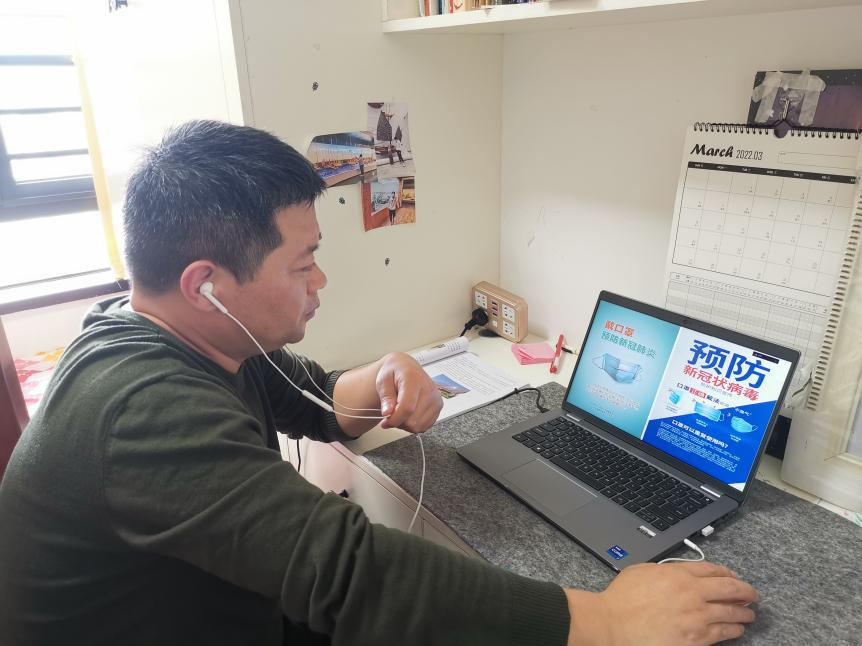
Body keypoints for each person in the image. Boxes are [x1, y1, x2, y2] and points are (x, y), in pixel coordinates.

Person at [0, 120, 758, 646]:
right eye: (302, 264)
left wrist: (384, 375)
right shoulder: (139, 409)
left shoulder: (170, 329)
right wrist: (607, 624)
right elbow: (346, 572)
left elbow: (314, 400)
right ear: (207, 286)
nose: (320, 281)